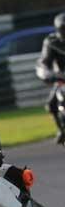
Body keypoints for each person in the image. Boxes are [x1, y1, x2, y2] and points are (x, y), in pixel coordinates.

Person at [35, 12, 65, 144]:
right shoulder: (52, 42)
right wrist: (47, 74)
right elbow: (44, 62)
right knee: (51, 104)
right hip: (62, 78)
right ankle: (62, 130)